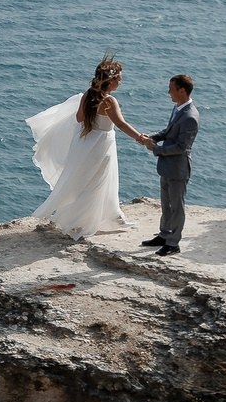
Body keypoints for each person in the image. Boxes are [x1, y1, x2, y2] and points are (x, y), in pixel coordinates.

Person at [26, 56, 149, 238]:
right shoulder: (109, 101)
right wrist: (140, 137)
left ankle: (112, 215)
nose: (121, 82)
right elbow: (121, 124)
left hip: (84, 142)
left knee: (87, 181)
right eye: (119, 79)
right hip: (101, 144)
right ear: (110, 80)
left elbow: (79, 118)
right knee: (100, 181)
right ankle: (82, 221)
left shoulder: (89, 94)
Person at [133, 74, 200, 255]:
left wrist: (155, 149)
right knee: (166, 204)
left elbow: (181, 146)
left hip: (178, 168)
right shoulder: (178, 108)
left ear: (182, 91)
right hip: (167, 166)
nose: (168, 92)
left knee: (177, 207)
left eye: (171, 89)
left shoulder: (190, 117)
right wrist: (153, 137)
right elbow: (168, 132)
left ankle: (173, 243)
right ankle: (164, 235)